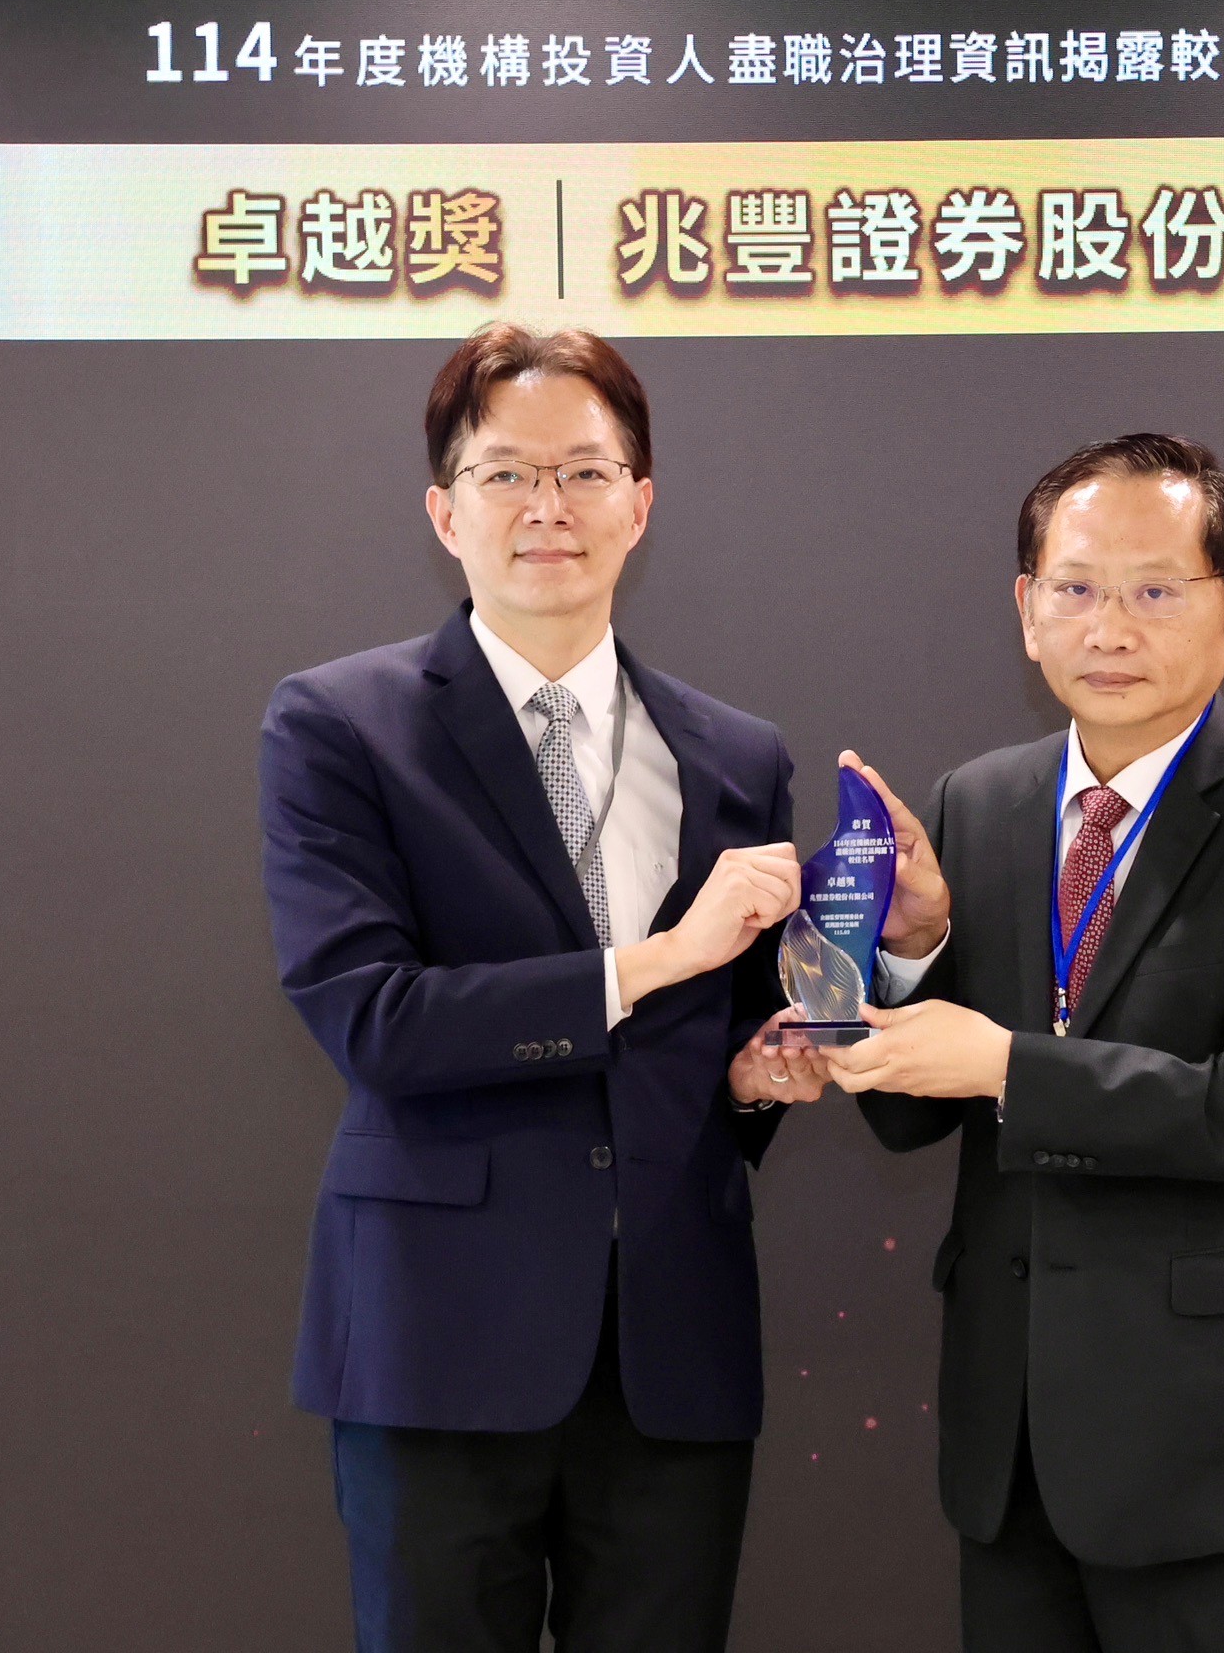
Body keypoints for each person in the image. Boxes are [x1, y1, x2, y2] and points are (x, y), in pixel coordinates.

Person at [256, 324, 828, 1653]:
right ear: (444, 510)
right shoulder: (341, 726)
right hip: (440, 1338)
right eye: (506, 473)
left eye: (584, 471)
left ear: (641, 502)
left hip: (673, 1345)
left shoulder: (738, 755)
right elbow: (374, 1019)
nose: (547, 507)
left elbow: (720, 1044)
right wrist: (662, 958)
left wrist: (756, 1080)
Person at [820, 434, 1224, 1653]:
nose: (1110, 628)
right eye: (1075, 588)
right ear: (1027, 611)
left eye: (1156, 591)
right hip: (1010, 1448)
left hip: (1210, 1460)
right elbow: (911, 1115)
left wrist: (1007, 1066)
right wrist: (912, 949)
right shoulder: (979, 800)